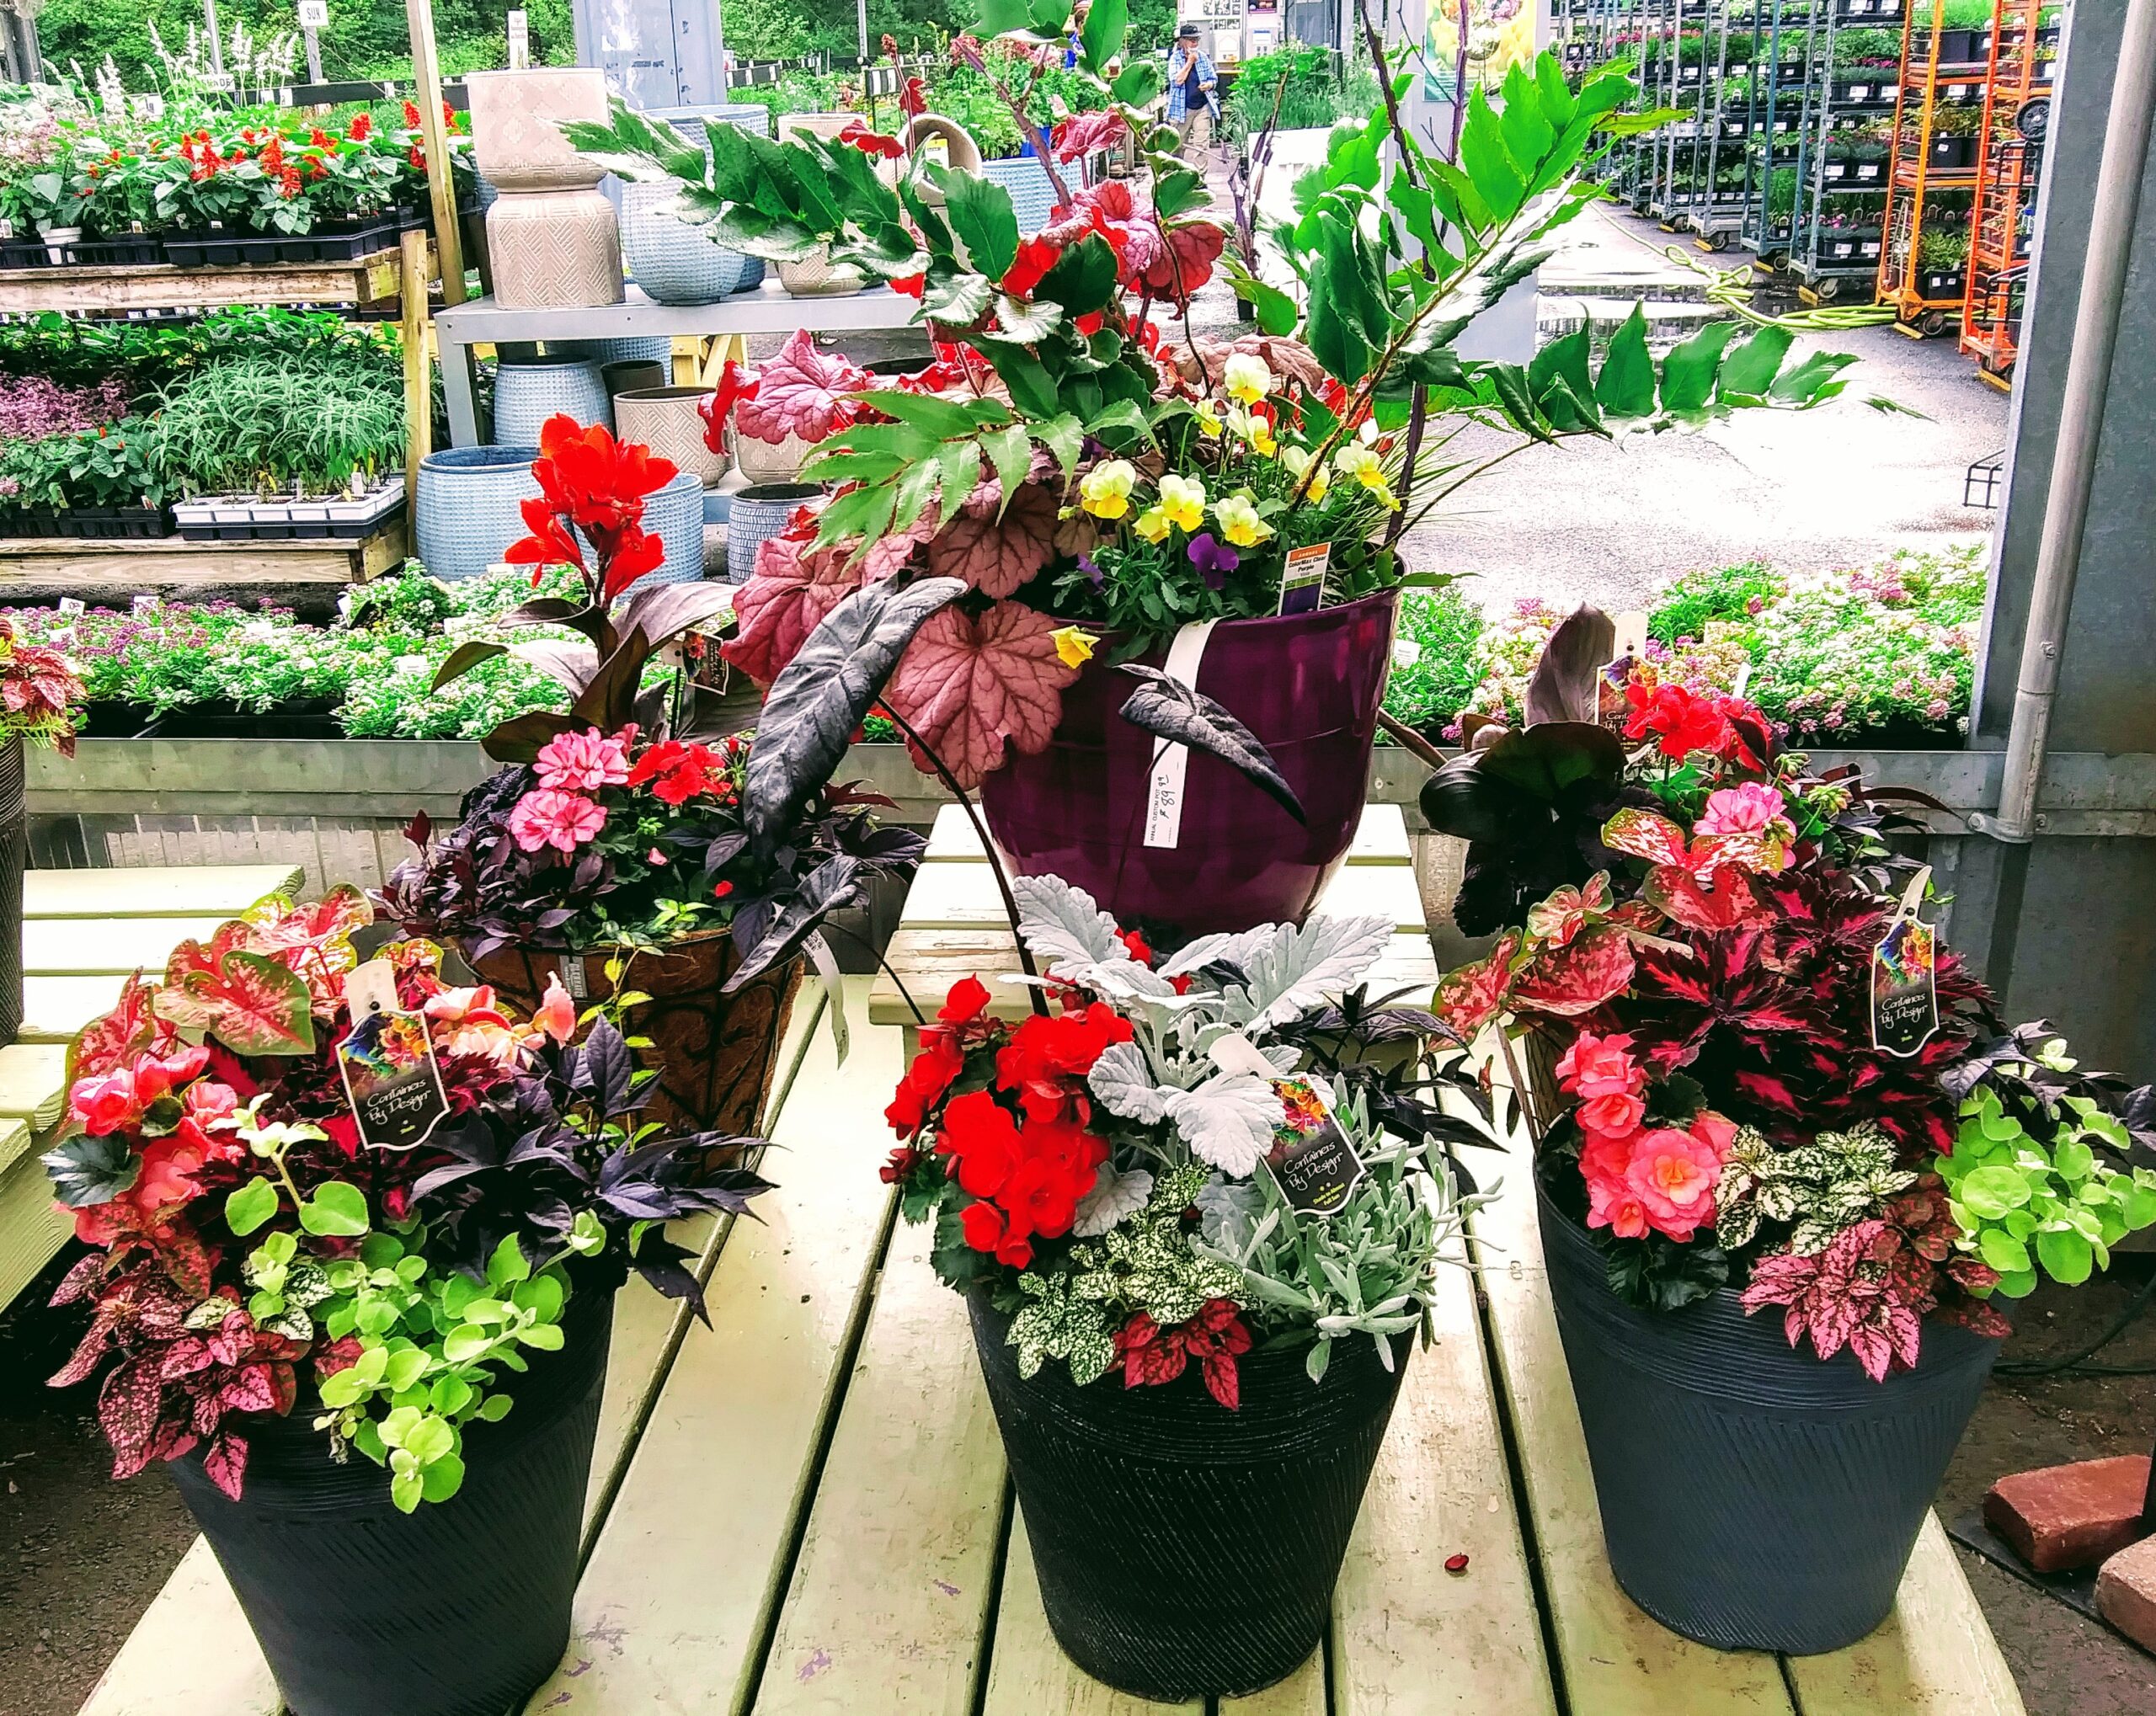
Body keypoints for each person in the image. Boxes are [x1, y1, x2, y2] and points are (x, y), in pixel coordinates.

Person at [1166, 23, 1218, 163]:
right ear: (1182, 41)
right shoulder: (1175, 59)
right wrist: (1190, 62)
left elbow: (1214, 78)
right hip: (1181, 109)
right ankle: (1177, 176)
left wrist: (1210, 84)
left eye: (1197, 39)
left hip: (1202, 107)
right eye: (1191, 39)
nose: (1195, 42)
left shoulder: (1203, 57)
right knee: (1177, 145)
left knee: (1202, 145)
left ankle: (1199, 179)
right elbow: (1177, 81)